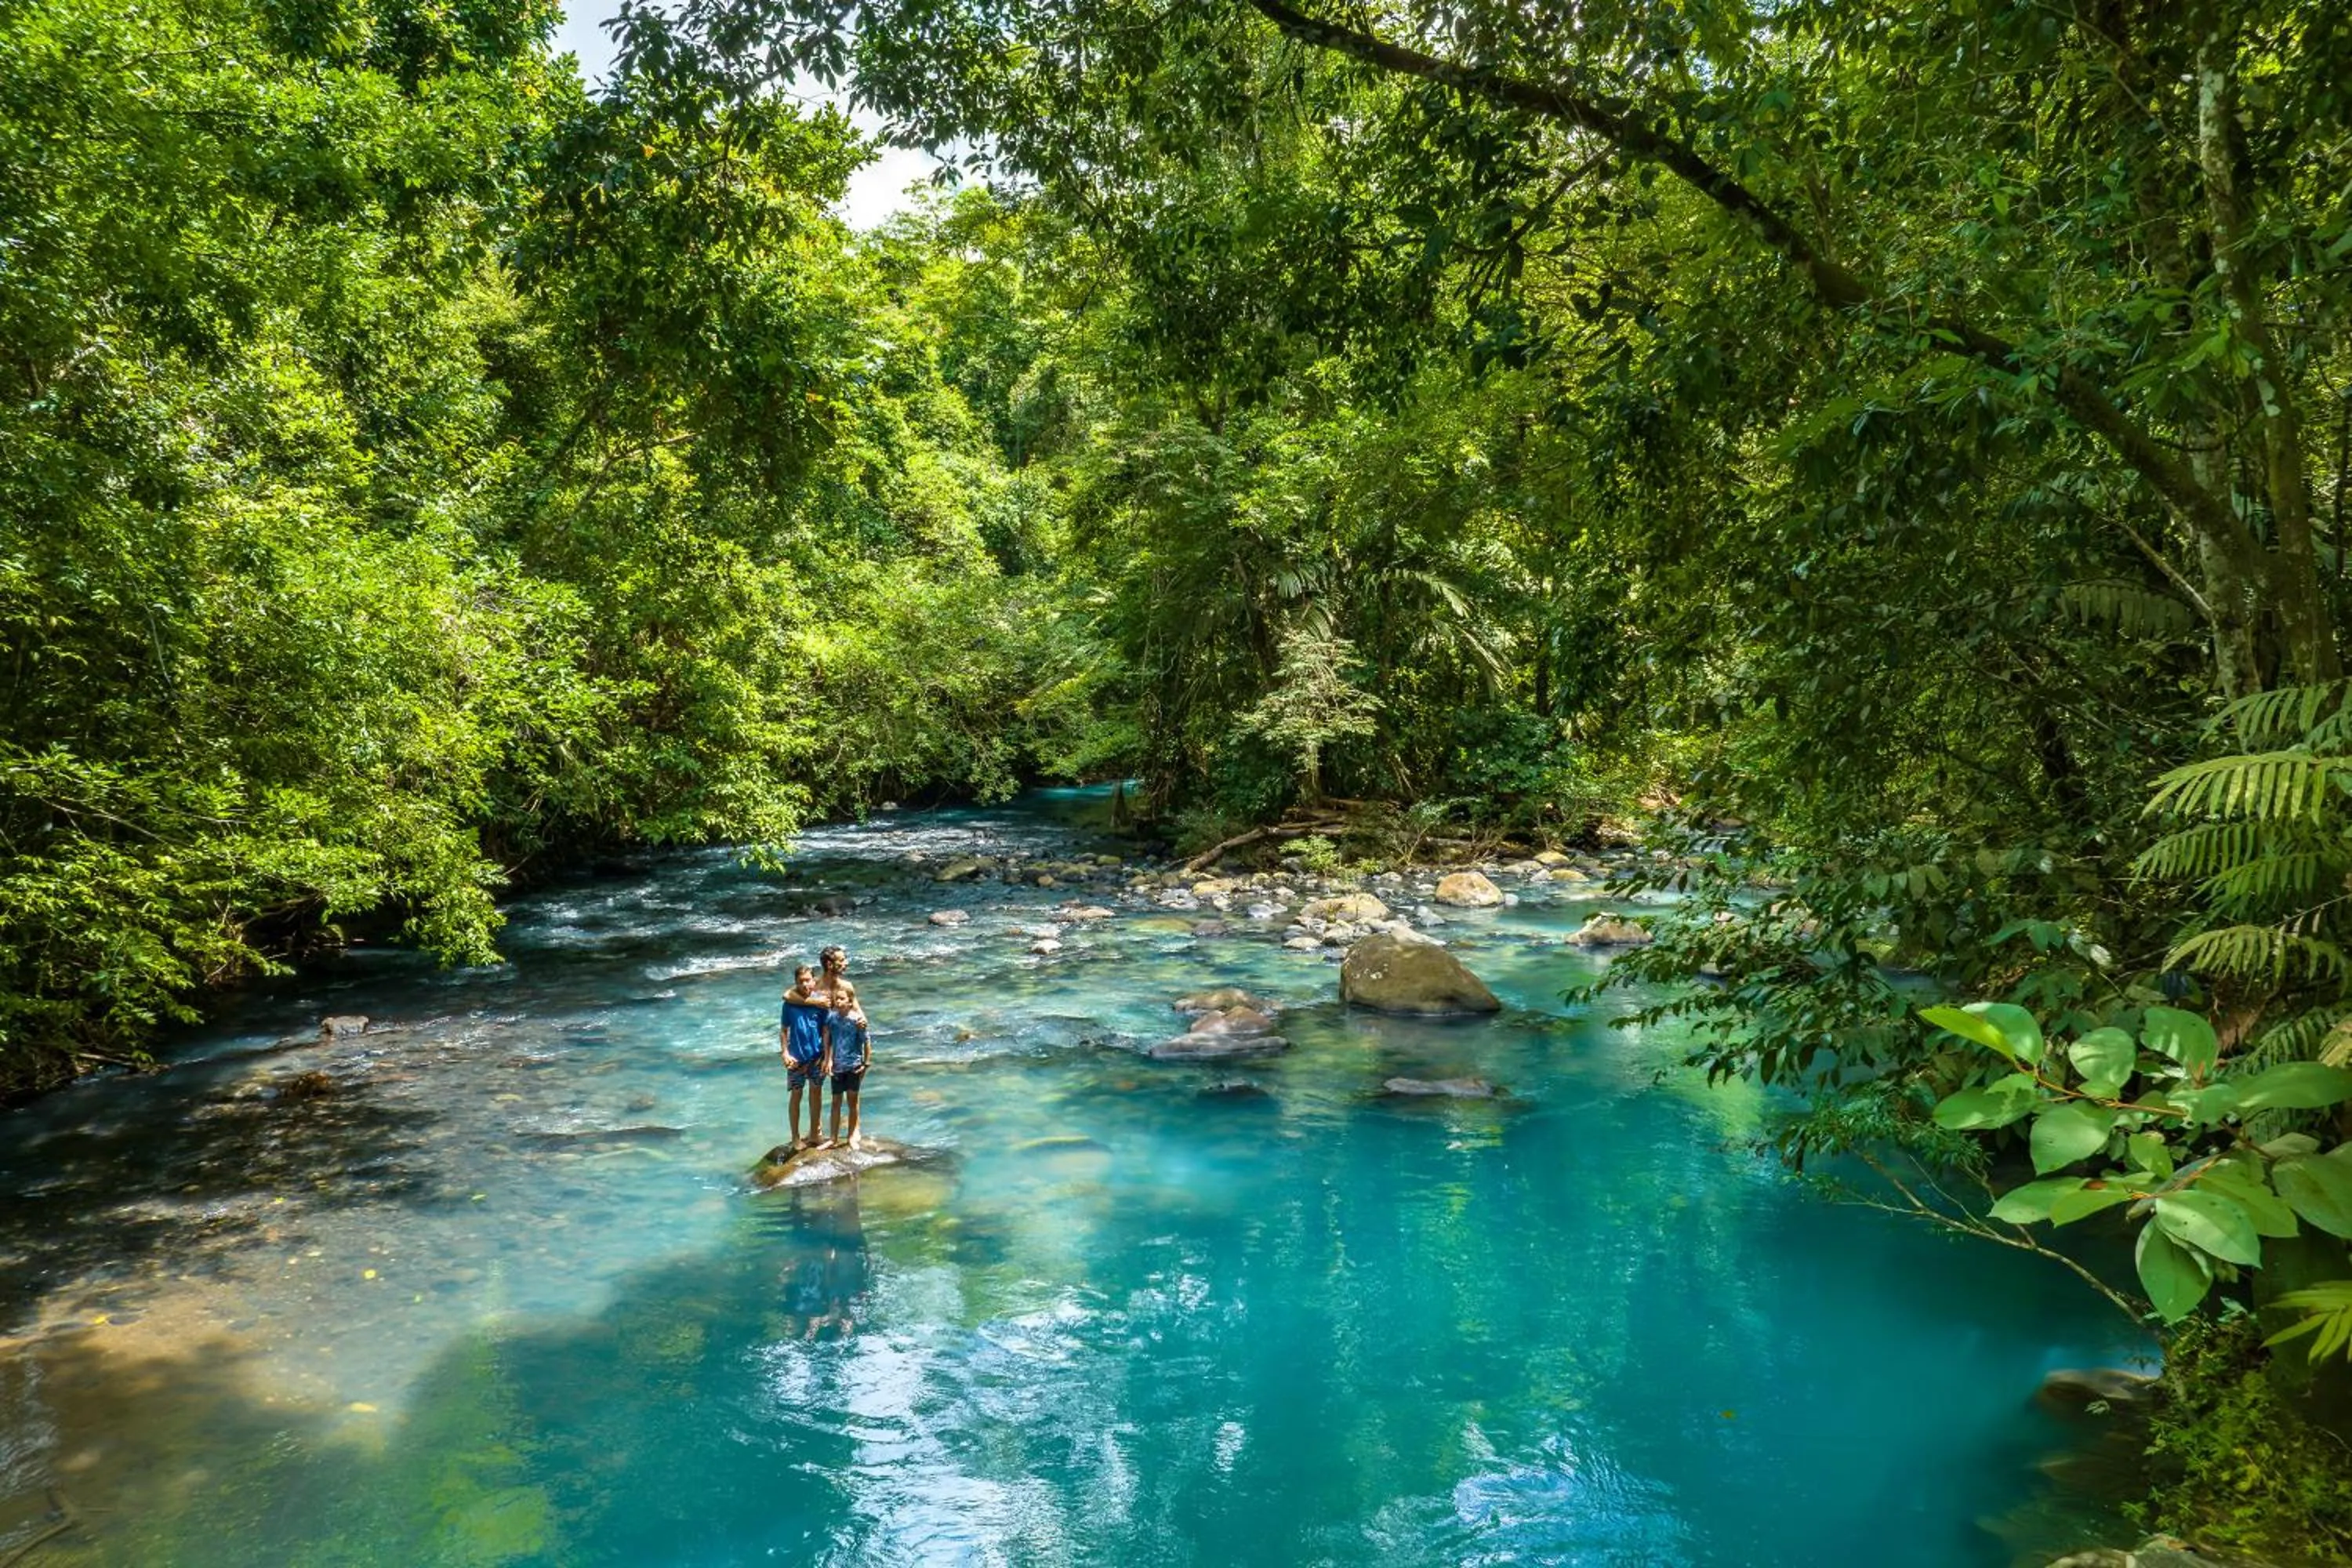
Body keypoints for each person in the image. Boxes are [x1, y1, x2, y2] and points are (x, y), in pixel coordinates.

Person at [814, 945, 871, 1150]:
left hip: (849, 1050)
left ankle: (854, 1130)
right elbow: (793, 997)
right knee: (820, 1090)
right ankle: (820, 1132)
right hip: (823, 1046)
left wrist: (863, 1024)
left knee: (854, 1093)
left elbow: (859, 1014)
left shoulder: (846, 987)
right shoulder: (815, 988)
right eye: (841, 960)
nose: (846, 963)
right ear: (830, 964)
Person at [779, 964, 830, 1151]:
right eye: (801, 981)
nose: (805, 984)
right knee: (796, 1095)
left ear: (814, 981)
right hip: (796, 1059)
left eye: (808, 980)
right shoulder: (790, 1004)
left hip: (816, 1057)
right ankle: (795, 1137)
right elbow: (784, 1031)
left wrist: (826, 1058)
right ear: (796, 983)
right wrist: (785, 1053)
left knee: (816, 1093)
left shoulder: (822, 1004)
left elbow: (825, 1031)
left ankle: (815, 1134)